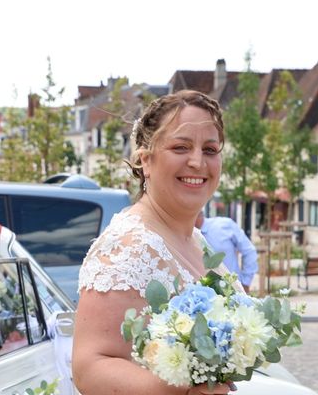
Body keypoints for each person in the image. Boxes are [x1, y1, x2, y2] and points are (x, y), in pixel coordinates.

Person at [73, 90, 240, 395]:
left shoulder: (195, 240)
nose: (197, 162)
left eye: (210, 149)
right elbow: (90, 368)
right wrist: (184, 390)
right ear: (146, 160)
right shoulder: (128, 247)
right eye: (181, 146)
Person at [194, 211, 258, 293]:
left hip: (233, 292)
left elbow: (249, 251)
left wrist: (245, 283)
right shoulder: (182, 237)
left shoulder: (224, 225)